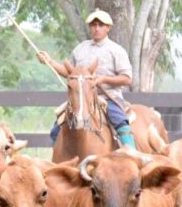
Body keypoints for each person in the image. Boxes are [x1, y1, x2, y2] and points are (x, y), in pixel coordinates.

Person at [37, 9, 136, 149]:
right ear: (90, 27)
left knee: (120, 123)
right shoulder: (80, 49)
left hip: (108, 98)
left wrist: (103, 79)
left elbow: (127, 79)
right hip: (81, 98)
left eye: (101, 25)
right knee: (56, 128)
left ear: (108, 28)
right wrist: (49, 61)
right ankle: (56, 161)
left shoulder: (116, 50)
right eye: (93, 25)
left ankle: (131, 155)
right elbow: (68, 72)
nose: (97, 28)